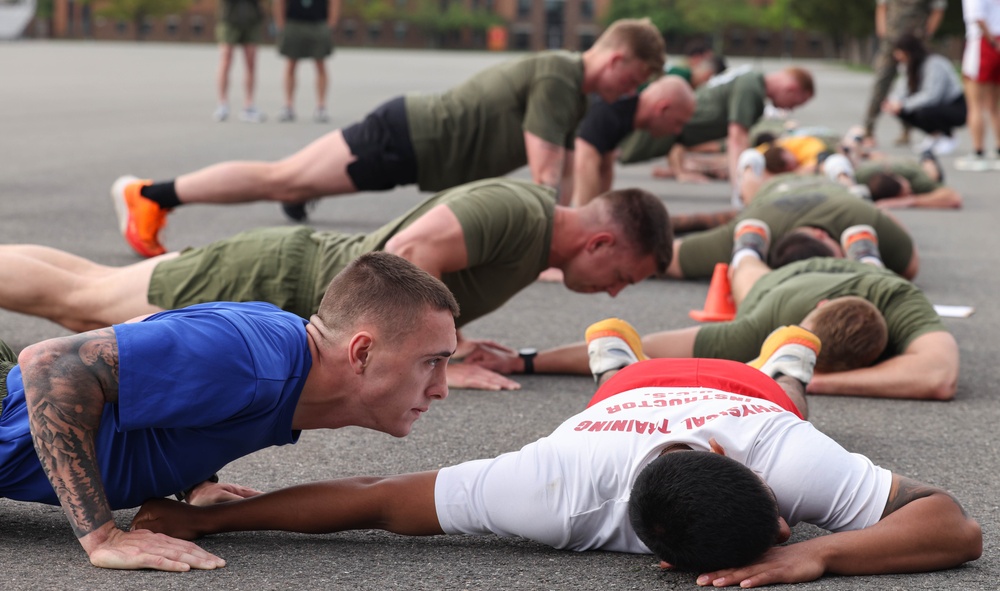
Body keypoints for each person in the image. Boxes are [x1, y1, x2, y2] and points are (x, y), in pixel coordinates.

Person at [129, 337, 981, 587]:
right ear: (662, 558)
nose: (792, 521)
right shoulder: (557, 489)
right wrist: (204, 516)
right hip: (674, 394)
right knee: (764, 381)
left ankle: (776, 352)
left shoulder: (781, 453)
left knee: (787, 376)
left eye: (781, 520)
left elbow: (958, 523)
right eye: (789, 525)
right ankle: (763, 355)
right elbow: (372, 498)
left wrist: (819, 549)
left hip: (728, 394)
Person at [1, 252, 459, 571]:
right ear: (361, 353)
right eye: (431, 362)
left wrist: (192, 480)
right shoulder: (252, 361)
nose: (440, 389)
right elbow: (49, 363)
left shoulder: (288, 360)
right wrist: (102, 536)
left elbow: (144, 345)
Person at [0, 179, 673, 391]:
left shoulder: (530, 229)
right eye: (622, 277)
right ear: (601, 241)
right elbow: (404, 254)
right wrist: (448, 356)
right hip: (282, 274)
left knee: (89, 285)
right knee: (78, 304)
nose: (615, 294)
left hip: (286, 272)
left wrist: (452, 345)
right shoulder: (519, 212)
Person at [111, 18, 666, 257]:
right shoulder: (561, 75)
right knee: (281, 178)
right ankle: (151, 195)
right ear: (617, 58)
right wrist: (557, 243)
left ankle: (163, 194)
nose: (627, 93)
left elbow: (559, 176)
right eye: (634, 79)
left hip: (410, 148)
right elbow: (547, 177)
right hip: (403, 135)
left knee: (288, 179)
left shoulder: (573, 90)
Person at [467, 220, 959, 401]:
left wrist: (524, 359)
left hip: (840, 279)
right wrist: (522, 359)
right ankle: (751, 243)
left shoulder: (898, 299)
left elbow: (642, 347)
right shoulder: (771, 325)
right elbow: (652, 347)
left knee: (754, 275)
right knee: (747, 276)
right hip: (782, 282)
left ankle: (852, 246)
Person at [615, 66, 815, 206]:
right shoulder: (751, 86)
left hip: (675, 129)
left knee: (612, 149)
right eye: (796, 103)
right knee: (614, 148)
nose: (791, 109)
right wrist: (741, 192)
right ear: (793, 89)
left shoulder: (750, 78)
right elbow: (737, 138)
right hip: (668, 126)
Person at [665, 172, 920, 280]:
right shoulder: (865, 219)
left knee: (749, 196)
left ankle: (750, 170)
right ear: (820, 234)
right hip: (790, 188)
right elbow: (910, 265)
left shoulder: (747, 230)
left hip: (780, 187)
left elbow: (666, 256)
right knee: (748, 199)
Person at [572, 75, 697, 206]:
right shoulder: (613, 107)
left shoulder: (624, 112)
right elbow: (584, 161)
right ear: (662, 108)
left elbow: (604, 167)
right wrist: (586, 220)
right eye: (678, 123)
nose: (678, 130)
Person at [862, 0, 948, 144]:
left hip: (915, 43)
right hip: (892, 41)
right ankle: (868, 129)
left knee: (913, 85)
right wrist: (884, 32)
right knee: (881, 83)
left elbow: (938, 10)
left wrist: (927, 33)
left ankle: (907, 130)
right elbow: (882, 7)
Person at [881, 34, 966, 155]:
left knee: (923, 111)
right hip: (935, 106)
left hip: (956, 107)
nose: (896, 56)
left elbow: (932, 96)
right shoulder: (908, 66)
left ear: (908, 51)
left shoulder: (934, 64)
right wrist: (893, 102)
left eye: (898, 52)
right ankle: (934, 136)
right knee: (901, 110)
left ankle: (948, 137)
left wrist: (903, 104)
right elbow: (902, 89)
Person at [274, 0, 341, 123]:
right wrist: (280, 22)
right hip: (294, 22)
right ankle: (288, 105)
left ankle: (321, 106)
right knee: (291, 64)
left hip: (318, 22)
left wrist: (332, 22)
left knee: (320, 65)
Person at [956, 0, 1000, 170]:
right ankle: (998, 151)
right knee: (994, 105)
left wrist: (992, 42)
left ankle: (978, 153)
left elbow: (978, 18)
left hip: (982, 42)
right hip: (996, 41)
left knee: (975, 104)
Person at [214, 0, 267, 122]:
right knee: (226, 57)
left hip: (252, 19)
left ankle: (248, 105)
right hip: (229, 18)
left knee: (251, 60)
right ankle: (222, 104)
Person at [856, 154, 963, 208]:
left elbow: (954, 198)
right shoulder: (860, 177)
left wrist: (909, 201)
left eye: (908, 190)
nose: (909, 190)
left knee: (933, 175)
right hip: (885, 163)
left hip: (920, 167)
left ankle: (928, 157)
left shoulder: (915, 180)